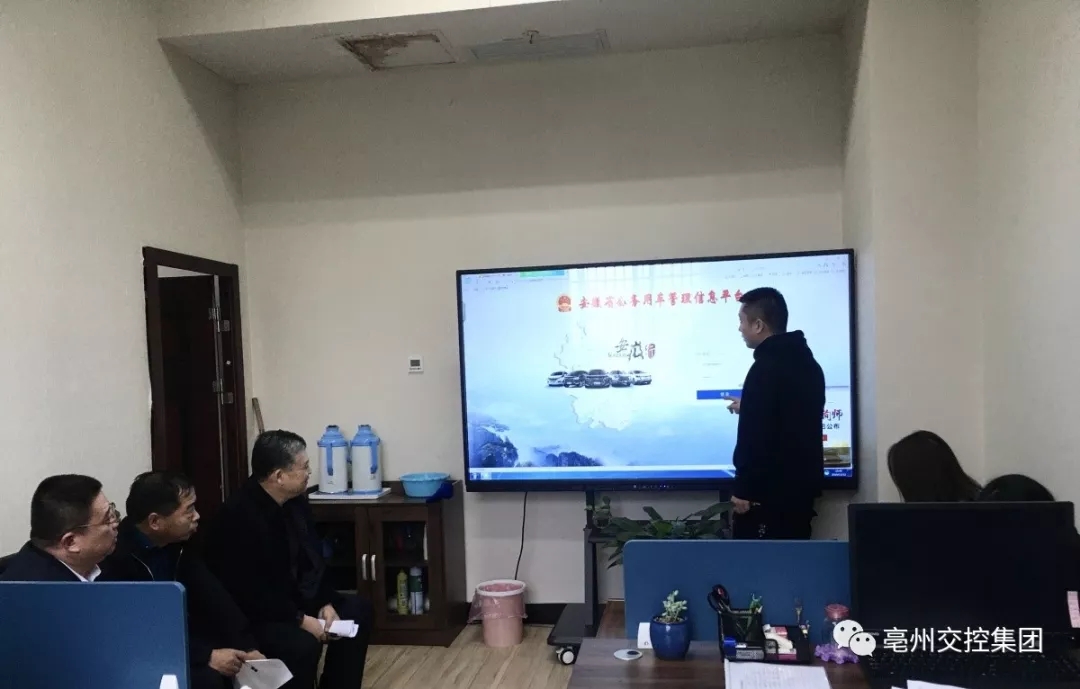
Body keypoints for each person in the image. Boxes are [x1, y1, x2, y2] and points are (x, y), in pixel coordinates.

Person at [205, 430, 373, 689]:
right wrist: (301, 620)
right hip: (258, 613)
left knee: (356, 611)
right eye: (303, 467)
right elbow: (251, 592)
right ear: (279, 476)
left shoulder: (295, 502)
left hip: (295, 599)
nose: (309, 473)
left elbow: (312, 560)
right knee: (302, 644)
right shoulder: (238, 517)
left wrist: (324, 602)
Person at [99, 471, 265, 689]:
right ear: (155, 522)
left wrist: (247, 645)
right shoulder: (117, 558)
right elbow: (138, 632)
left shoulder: (179, 545)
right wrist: (205, 655)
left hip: (186, 640)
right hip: (145, 652)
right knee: (208, 680)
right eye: (189, 510)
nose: (197, 516)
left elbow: (215, 599)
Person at [724, 287, 826, 539]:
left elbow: (755, 437)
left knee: (759, 564)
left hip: (766, 501)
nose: (739, 328)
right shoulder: (808, 363)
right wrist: (751, 406)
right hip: (799, 499)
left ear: (758, 325)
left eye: (742, 321)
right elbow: (790, 416)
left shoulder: (765, 368)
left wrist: (744, 488)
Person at [0, 474, 118, 582]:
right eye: (107, 519)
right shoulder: (37, 592)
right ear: (71, 542)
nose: (116, 524)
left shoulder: (97, 562)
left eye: (112, 511)